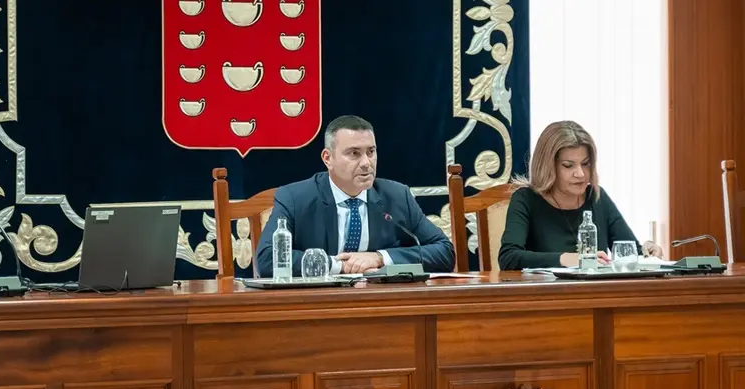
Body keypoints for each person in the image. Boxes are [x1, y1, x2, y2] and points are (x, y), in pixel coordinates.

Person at [256, 115, 455, 276]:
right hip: (316, 307)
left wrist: (379, 257)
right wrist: (338, 265)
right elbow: (268, 259)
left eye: (371, 152)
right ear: (328, 158)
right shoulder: (294, 198)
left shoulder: (397, 196)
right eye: (354, 153)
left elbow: (444, 252)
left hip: (381, 307)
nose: (367, 163)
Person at [498, 120, 663, 270]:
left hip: (596, 296)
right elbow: (509, 257)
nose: (581, 174)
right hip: (545, 297)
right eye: (568, 166)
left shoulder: (597, 196)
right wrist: (567, 259)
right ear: (547, 166)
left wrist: (646, 250)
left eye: (586, 164)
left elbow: (628, 252)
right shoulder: (525, 199)